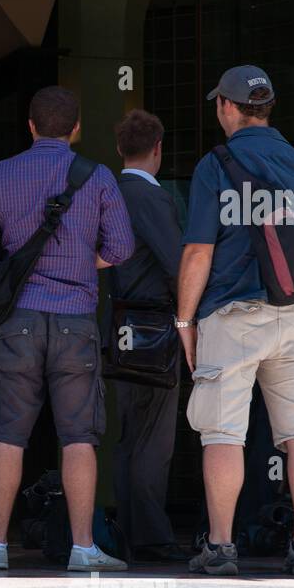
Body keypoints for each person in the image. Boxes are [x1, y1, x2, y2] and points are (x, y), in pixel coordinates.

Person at [0, 86, 135, 572]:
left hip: (18, 320)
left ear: (31, 126)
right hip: (76, 320)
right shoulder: (99, 177)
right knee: (79, 436)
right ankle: (83, 548)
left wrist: (13, 267)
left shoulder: (0, 174)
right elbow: (121, 248)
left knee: (9, 434)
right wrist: (82, 263)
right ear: (77, 128)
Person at [177, 66, 294, 575]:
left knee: (222, 433)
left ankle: (220, 547)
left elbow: (198, 251)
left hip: (232, 314)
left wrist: (184, 322)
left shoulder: (216, 163)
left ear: (226, 106)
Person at [112, 108, 182, 557]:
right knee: (153, 436)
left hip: (114, 326)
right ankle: (151, 536)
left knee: (128, 435)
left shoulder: (105, 192)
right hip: (152, 329)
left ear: (121, 149)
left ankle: (130, 529)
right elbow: (179, 264)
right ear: (158, 150)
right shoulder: (151, 199)